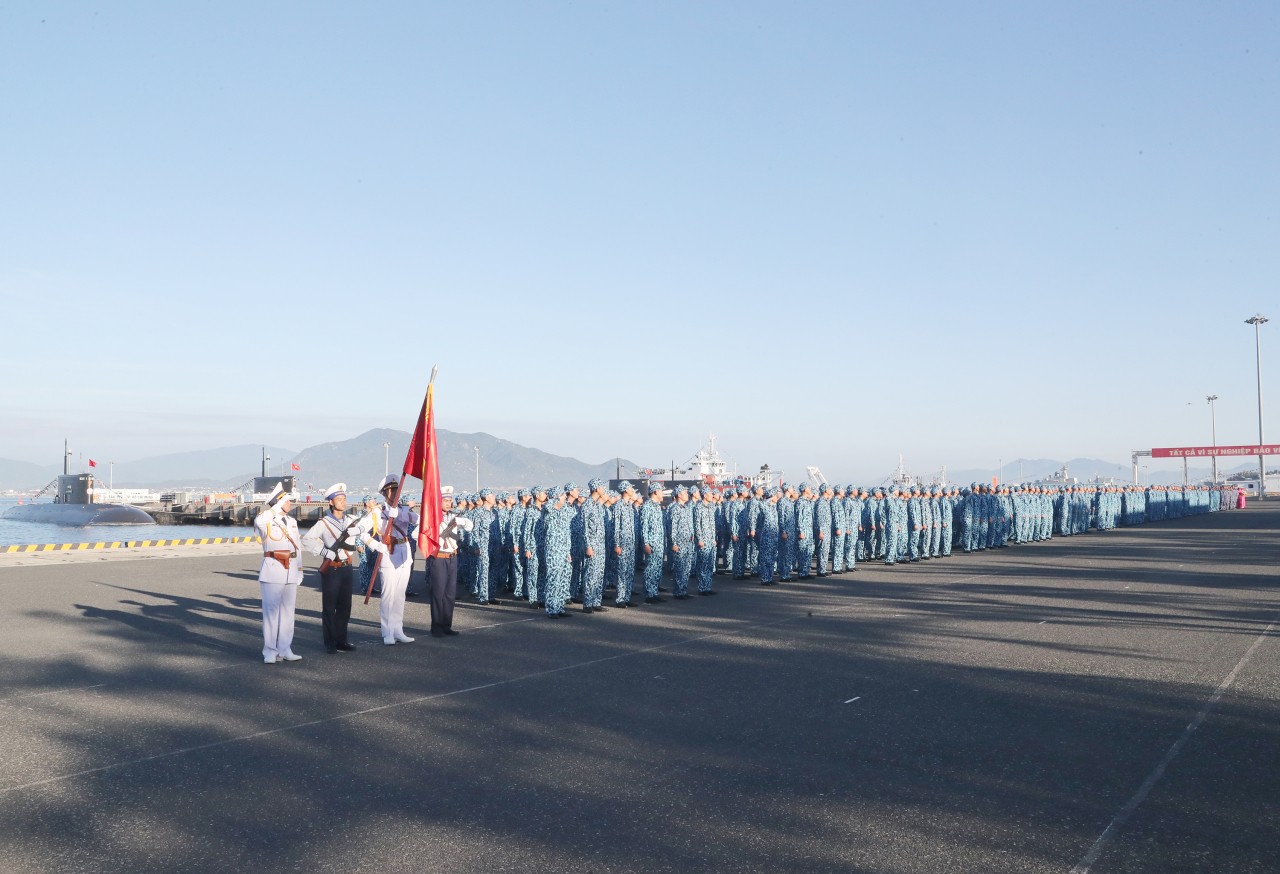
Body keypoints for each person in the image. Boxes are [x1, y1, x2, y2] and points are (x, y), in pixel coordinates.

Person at [302, 483, 385, 654]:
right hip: (331, 568)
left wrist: (378, 546)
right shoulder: (324, 523)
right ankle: (330, 642)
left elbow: (363, 536)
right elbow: (307, 539)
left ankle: (342, 640)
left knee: (345, 606)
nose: (343, 502)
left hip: (347, 567)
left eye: (344, 498)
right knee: (329, 606)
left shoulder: (350, 521)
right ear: (331, 502)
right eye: (339, 499)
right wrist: (324, 551)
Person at [254, 483, 303, 664]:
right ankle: (269, 651)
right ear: (278, 502)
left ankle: (285, 648)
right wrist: (274, 508)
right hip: (273, 568)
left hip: (290, 568)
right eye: (286, 500)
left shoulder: (292, 522)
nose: (290, 503)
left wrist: (300, 569)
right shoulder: (266, 519)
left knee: (288, 613)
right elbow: (259, 522)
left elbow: (297, 548)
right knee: (271, 612)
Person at [376, 474, 420, 645]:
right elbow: (371, 530)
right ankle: (387, 632)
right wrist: (391, 515)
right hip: (389, 552)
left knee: (400, 594)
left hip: (404, 551)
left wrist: (403, 514)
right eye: (392, 490)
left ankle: (398, 629)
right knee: (388, 594)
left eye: (397, 489)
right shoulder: (378, 511)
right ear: (385, 493)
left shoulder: (403, 509)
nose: (396, 493)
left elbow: (418, 520)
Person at [427, 486, 472, 636]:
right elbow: (418, 534)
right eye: (445, 500)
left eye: (450, 500)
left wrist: (462, 522)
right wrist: (436, 537)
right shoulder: (432, 517)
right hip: (439, 557)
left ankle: (447, 625)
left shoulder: (454, 516)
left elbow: (470, 527)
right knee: (438, 593)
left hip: (452, 557)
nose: (448, 503)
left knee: (450, 594)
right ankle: (437, 627)